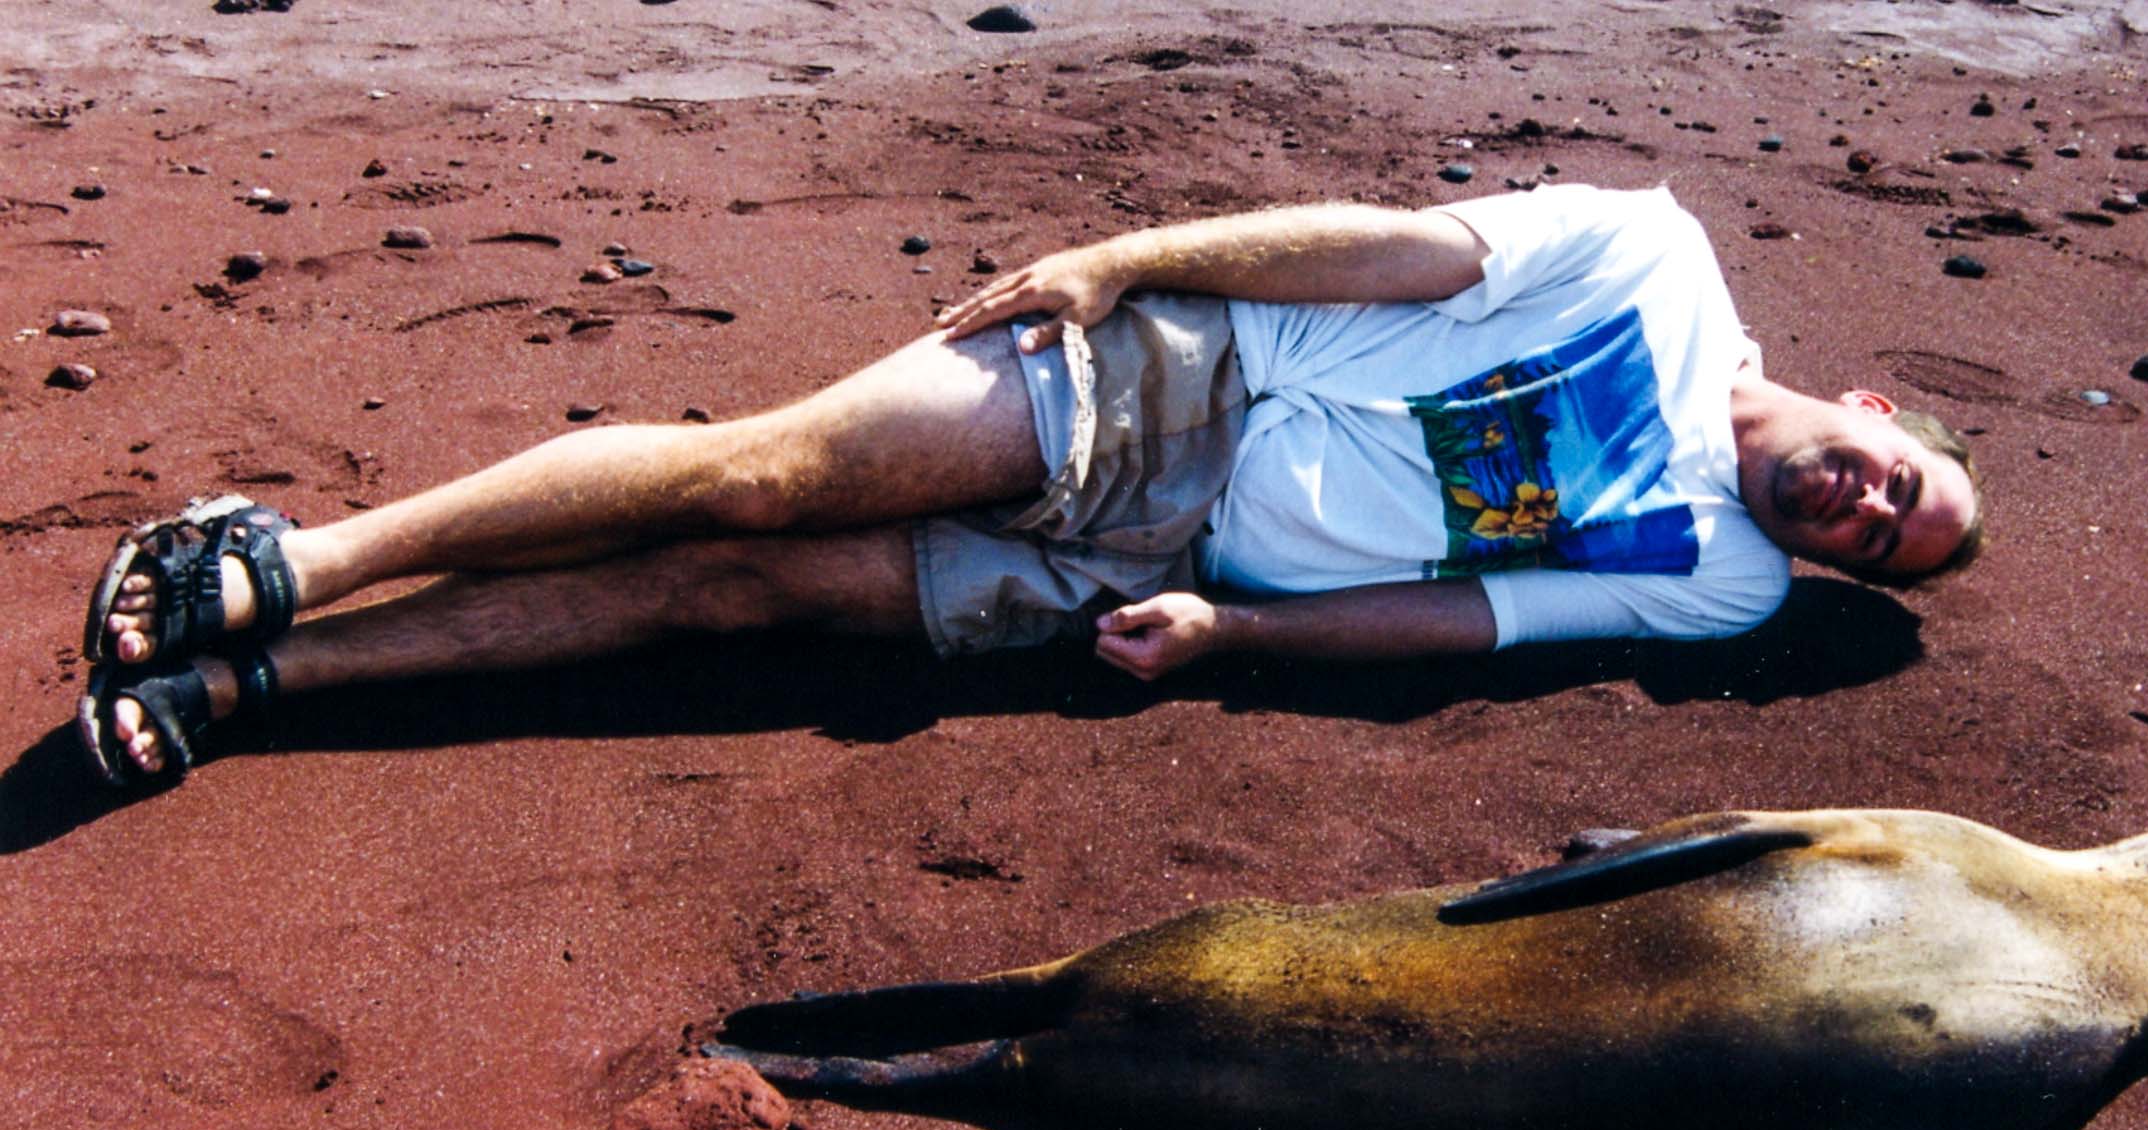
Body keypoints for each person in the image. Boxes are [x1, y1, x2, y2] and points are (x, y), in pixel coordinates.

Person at [77, 184, 1982, 785]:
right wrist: (1131, 261)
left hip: (1151, 566)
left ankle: (258, 690)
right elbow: (1397, 249)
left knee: (731, 600)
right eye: (1903, 484)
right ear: (1879, 407)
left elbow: (1477, 618)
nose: (1867, 517)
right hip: (1186, 382)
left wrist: (1235, 636)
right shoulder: (1655, 256)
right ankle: (295, 557)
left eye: (1889, 553)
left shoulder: (1720, 586)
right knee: (757, 480)